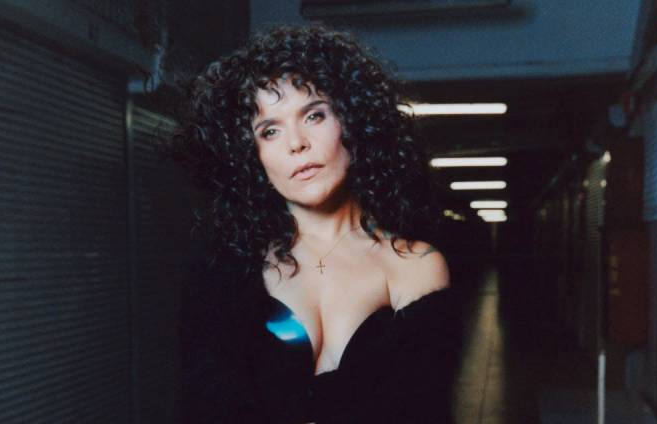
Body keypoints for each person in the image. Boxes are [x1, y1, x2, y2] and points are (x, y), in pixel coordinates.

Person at [171, 25, 461, 423]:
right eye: (269, 131)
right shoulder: (222, 270)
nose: (296, 143)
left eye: (314, 115)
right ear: (251, 156)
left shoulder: (415, 267)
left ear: (352, 122)